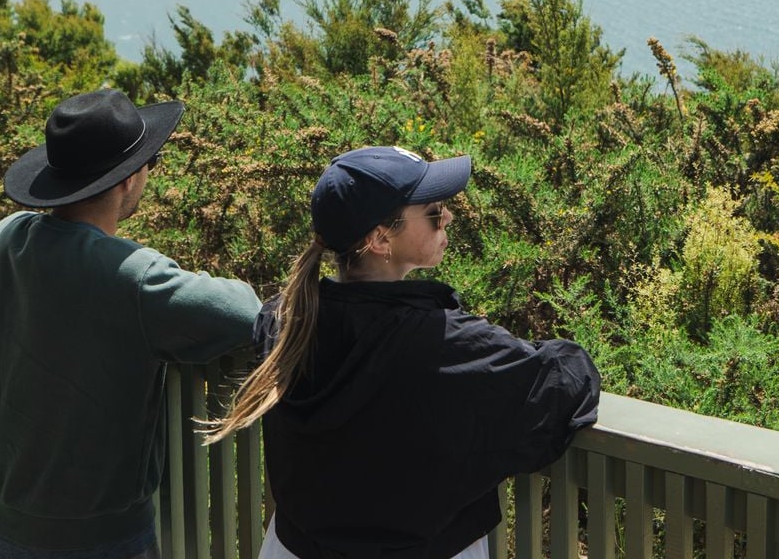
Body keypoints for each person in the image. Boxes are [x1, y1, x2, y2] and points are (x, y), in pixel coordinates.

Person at [207, 145, 601, 559]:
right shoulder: (445, 342)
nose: (447, 216)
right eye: (433, 211)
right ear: (380, 239)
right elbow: (567, 378)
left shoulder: (285, 321)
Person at [0, 89, 262, 559]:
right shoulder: (136, 277)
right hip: (98, 540)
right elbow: (244, 312)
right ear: (127, 181)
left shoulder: (5, 239)